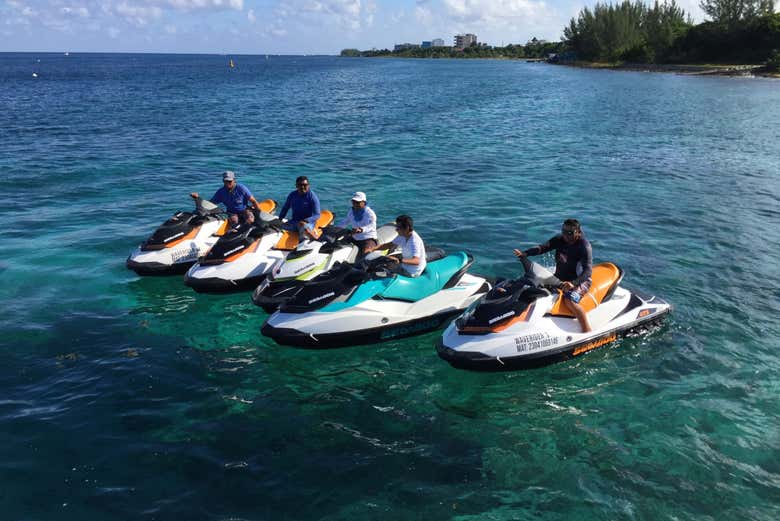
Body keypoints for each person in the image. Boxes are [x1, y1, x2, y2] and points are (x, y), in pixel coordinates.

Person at [513, 218, 593, 332]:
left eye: (570, 232)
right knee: (533, 288)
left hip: (580, 280)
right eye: (563, 231)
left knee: (569, 300)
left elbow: (588, 271)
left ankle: (587, 330)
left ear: (578, 232)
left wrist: (573, 283)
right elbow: (542, 248)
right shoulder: (559, 239)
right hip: (560, 278)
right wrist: (525, 253)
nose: (566, 235)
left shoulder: (584, 246)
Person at [190, 171, 260, 227]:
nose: (227, 183)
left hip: (244, 209)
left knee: (250, 220)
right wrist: (197, 198)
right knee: (234, 222)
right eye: (226, 181)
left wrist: (259, 212)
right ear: (223, 181)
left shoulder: (241, 188)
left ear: (234, 180)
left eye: (230, 181)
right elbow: (210, 203)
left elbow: (253, 201)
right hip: (231, 212)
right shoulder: (221, 192)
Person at [278, 176, 321, 240]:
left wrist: (306, 221)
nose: (302, 187)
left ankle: (316, 239)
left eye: (305, 185)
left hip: (307, 224)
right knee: (276, 227)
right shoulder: (292, 195)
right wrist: (279, 220)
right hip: (294, 222)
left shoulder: (312, 197)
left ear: (308, 185)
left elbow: (317, 215)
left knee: (303, 228)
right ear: (296, 186)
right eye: (300, 185)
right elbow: (285, 208)